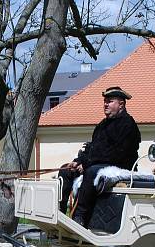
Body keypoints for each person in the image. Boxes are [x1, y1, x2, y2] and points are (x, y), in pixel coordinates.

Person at [58, 86, 141, 226]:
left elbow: (116, 153)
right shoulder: (102, 125)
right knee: (65, 170)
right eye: (105, 101)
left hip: (119, 165)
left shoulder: (128, 124)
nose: (105, 104)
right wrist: (78, 161)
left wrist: (87, 164)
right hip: (97, 163)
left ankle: (80, 217)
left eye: (110, 101)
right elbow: (93, 148)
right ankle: (60, 212)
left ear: (121, 104)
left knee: (91, 172)